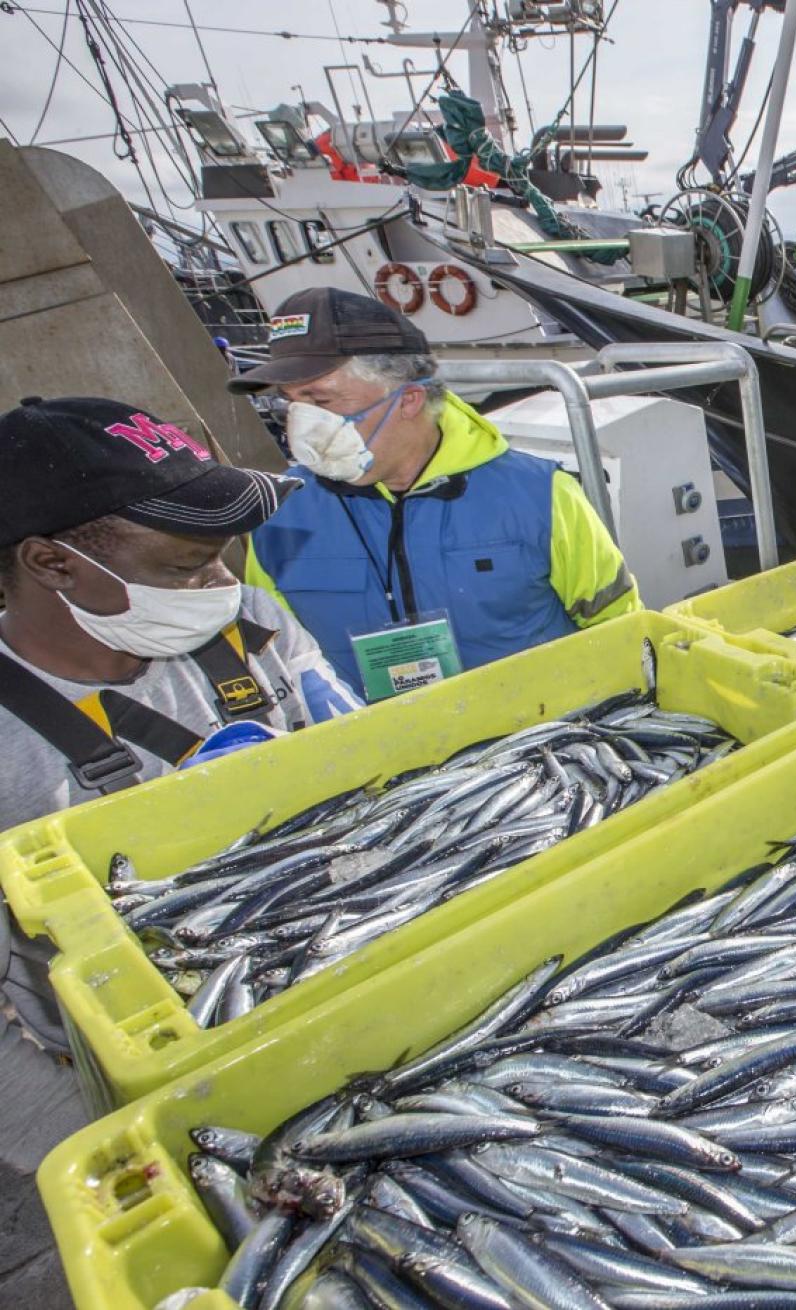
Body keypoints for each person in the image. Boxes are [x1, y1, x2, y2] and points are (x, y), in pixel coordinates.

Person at [0, 395, 359, 1304]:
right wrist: (122, 1150)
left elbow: (354, 745)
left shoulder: (243, 625)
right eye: (187, 562)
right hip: (136, 1091)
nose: (223, 583)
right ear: (52, 563)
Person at [230, 288, 640, 699]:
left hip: (537, 743)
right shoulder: (280, 516)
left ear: (408, 400)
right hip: (373, 753)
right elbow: (279, 658)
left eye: (321, 401)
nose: (303, 425)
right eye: (290, 405)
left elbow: (620, 627)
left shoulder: (540, 494)